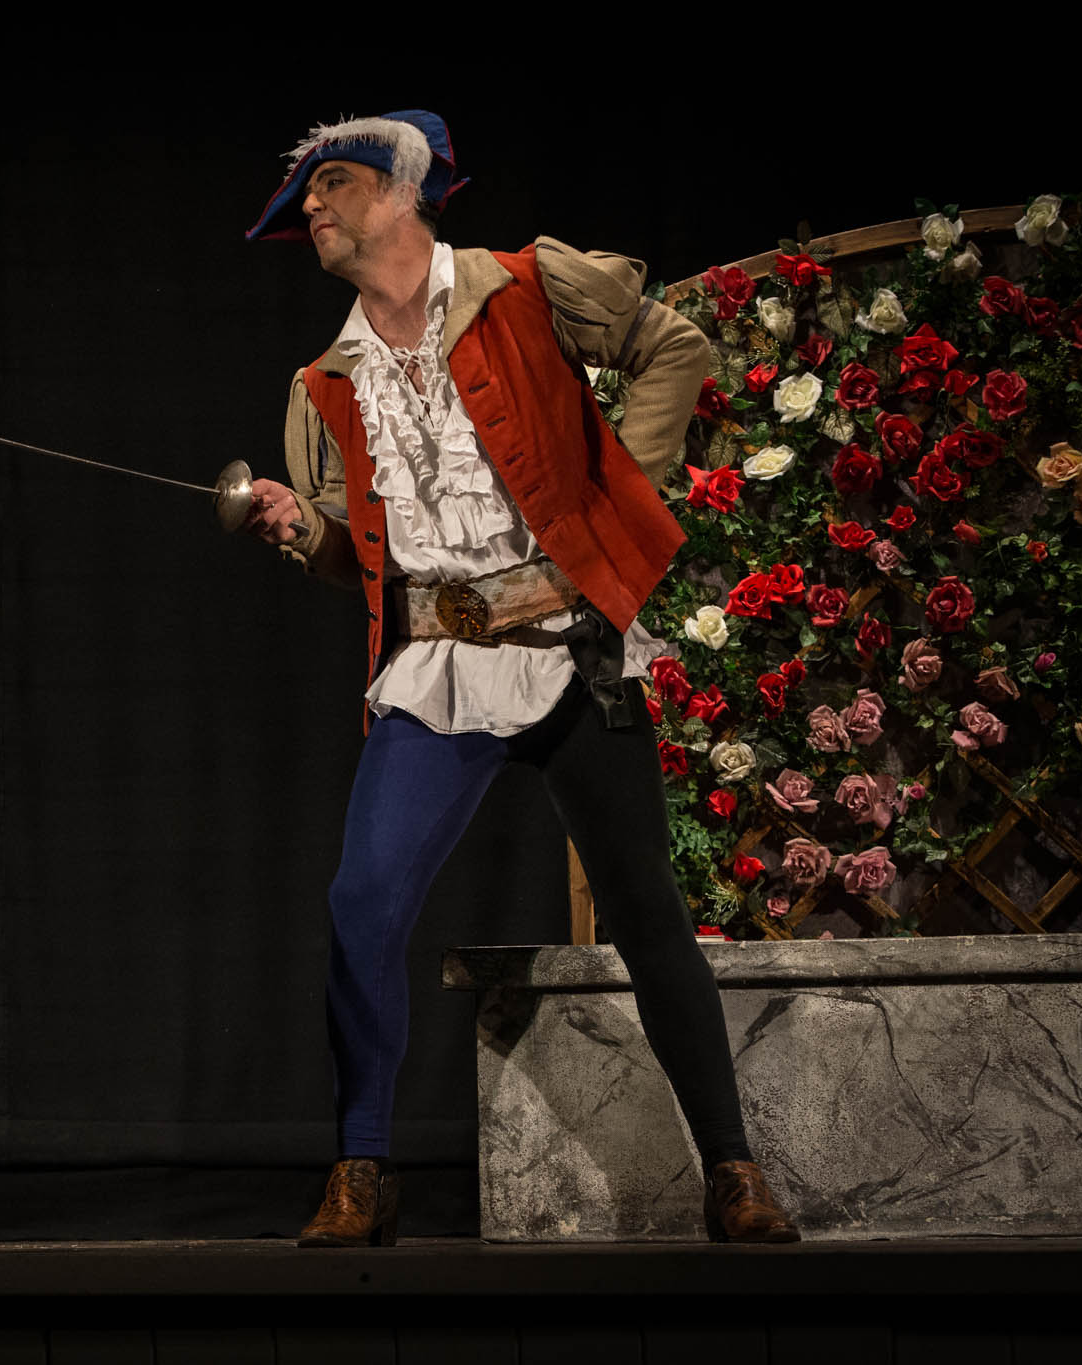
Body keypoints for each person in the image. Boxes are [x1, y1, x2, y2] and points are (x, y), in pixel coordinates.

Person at [239, 110, 798, 1245]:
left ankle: (731, 1171)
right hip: (437, 666)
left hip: (569, 652)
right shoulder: (323, 381)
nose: (311, 208)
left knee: (646, 912)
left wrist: (602, 527)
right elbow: (354, 552)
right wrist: (302, 529)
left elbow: (675, 347)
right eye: (304, 196)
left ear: (402, 192)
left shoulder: (522, 287)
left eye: (331, 184)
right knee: (359, 907)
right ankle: (360, 1168)